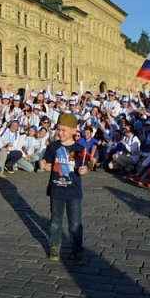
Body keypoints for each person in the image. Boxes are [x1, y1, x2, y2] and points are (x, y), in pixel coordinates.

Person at [40, 113, 88, 265]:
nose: (60, 133)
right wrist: (44, 165)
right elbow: (47, 164)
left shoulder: (80, 148)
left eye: (64, 130)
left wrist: (84, 171)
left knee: (75, 223)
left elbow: (84, 167)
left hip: (73, 191)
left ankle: (77, 252)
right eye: (58, 130)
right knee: (55, 222)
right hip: (57, 190)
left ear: (74, 131)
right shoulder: (53, 147)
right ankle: (54, 247)